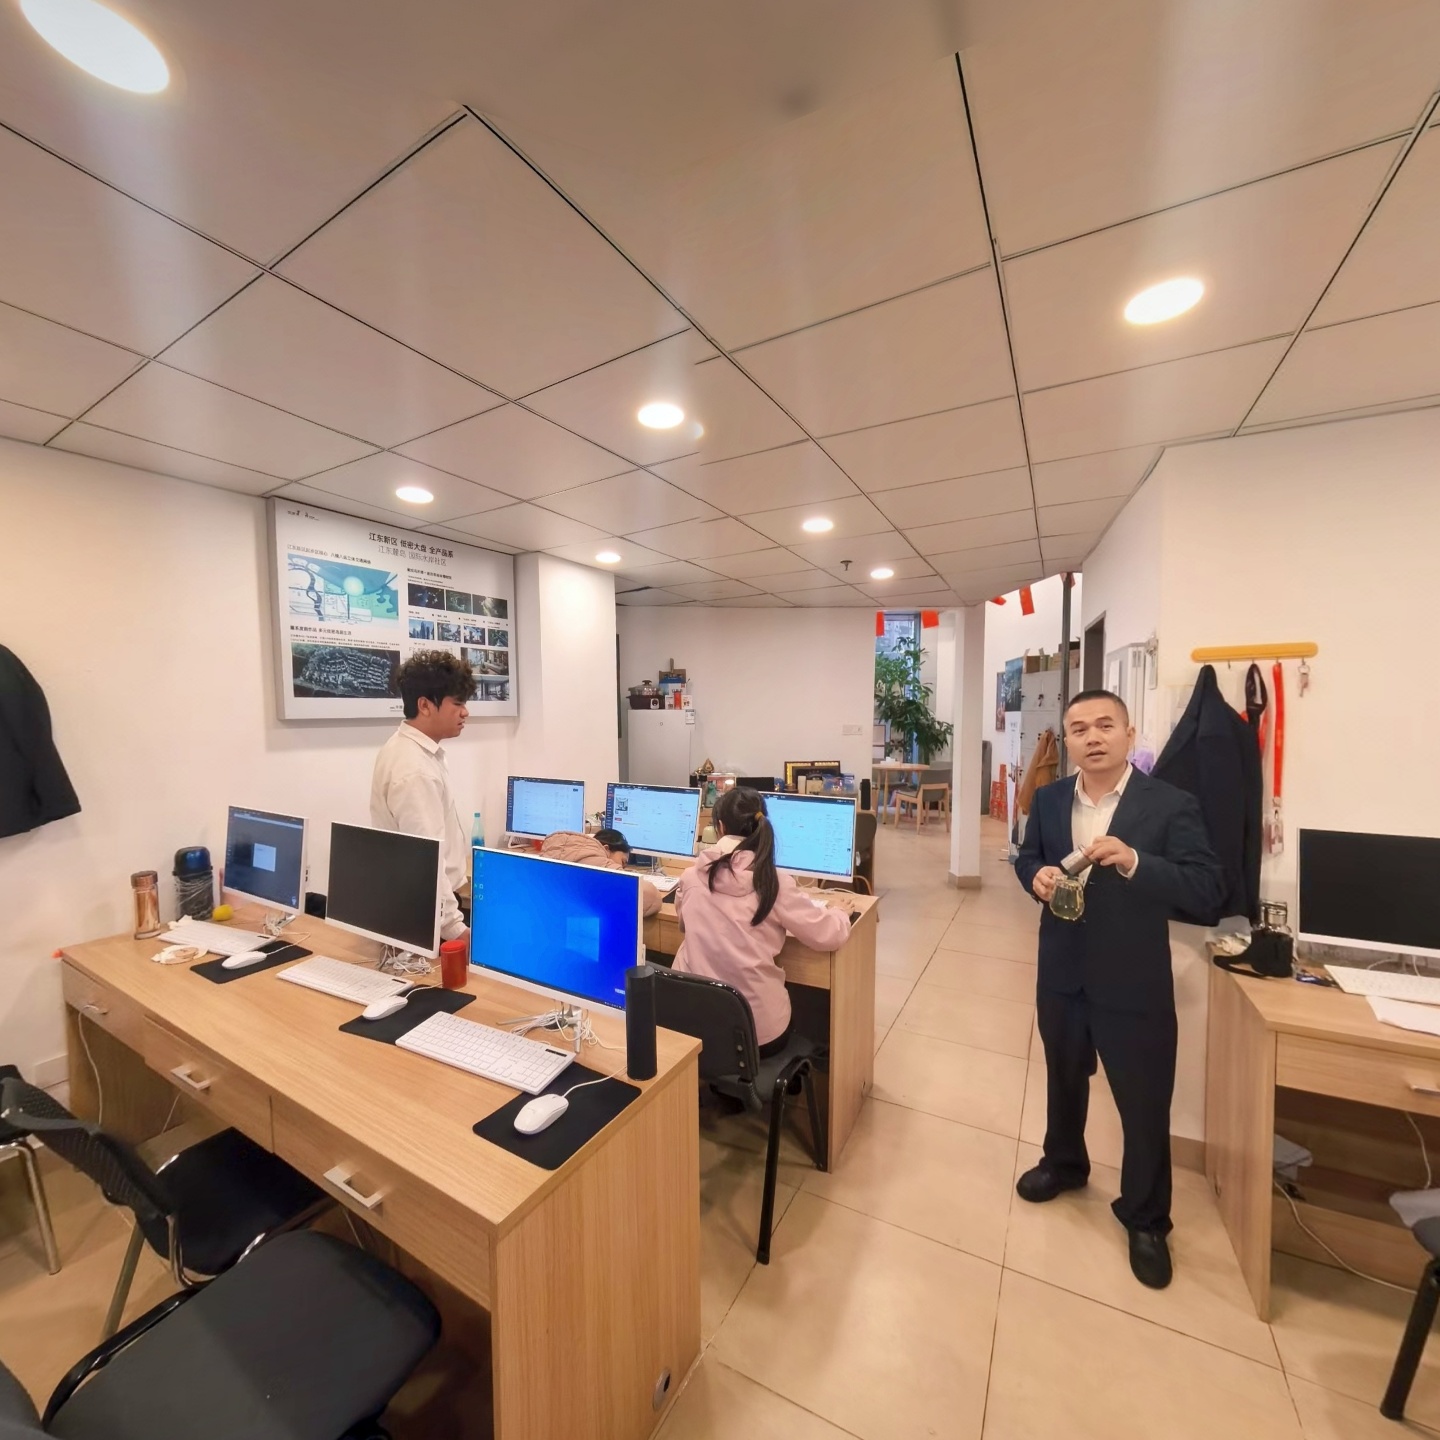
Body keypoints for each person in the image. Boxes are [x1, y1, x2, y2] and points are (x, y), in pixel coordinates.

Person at [1014, 689, 1225, 1290]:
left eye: (1105, 725)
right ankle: (1064, 1163)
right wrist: (1035, 876)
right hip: (1061, 970)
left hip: (1134, 979)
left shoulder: (1169, 804)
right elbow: (1027, 857)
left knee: (1143, 1101)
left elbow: (1207, 889)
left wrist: (1134, 861)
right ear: (1068, 740)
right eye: (1079, 728)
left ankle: (1146, 1217)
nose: (1092, 737)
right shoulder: (1051, 798)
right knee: (1063, 1076)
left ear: (1129, 735)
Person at [674, 787, 851, 1053]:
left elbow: (683, 922)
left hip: (698, 1026)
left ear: (720, 827)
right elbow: (828, 935)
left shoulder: (691, 877)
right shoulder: (772, 882)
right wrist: (840, 914)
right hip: (757, 1034)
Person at [370, 651, 475, 947]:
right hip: (429, 917)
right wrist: (456, 929)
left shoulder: (408, 750)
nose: (465, 712)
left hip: (426, 908)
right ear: (425, 705)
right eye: (457, 703)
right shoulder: (415, 770)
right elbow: (428, 862)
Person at [539, 827, 663, 916]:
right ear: (606, 849)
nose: (621, 867)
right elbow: (649, 897)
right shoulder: (596, 863)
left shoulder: (553, 851)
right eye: (623, 862)